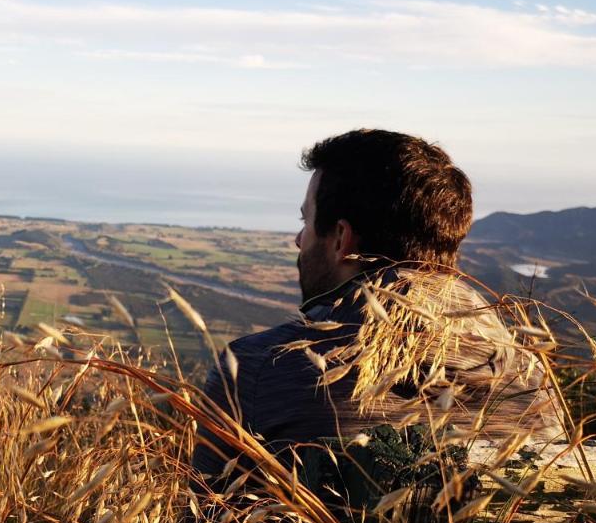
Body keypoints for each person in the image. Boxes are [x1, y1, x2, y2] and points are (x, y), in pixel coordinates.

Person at [192, 129, 560, 485]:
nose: (298, 239)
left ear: (341, 239)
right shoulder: (527, 372)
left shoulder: (255, 369)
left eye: (306, 221)